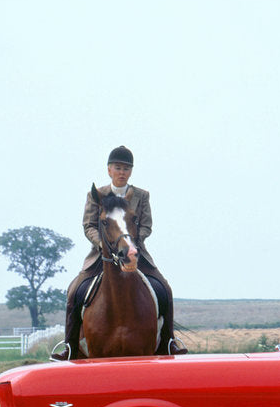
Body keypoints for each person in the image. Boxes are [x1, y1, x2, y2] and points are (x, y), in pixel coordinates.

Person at [54, 145, 186, 359]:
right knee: (74, 290)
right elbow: (89, 225)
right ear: (109, 170)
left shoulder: (141, 195)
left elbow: (146, 225)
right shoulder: (96, 195)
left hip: (134, 252)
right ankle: (69, 346)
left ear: (131, 171)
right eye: (118, 168)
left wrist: (132, 243)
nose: (122, 172)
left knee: (164, 289)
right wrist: (101, 244)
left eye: (126, 168)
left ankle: (170, 342)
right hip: (103, 254)